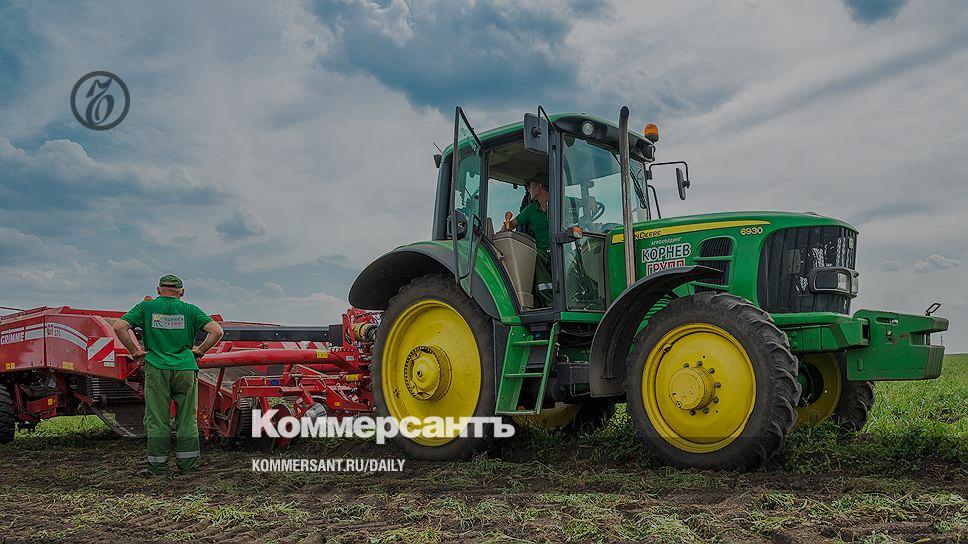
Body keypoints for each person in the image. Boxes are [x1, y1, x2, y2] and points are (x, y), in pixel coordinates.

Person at [114, 274, 224, 477]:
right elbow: (217, 331)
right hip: (185, 368)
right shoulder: (190, 310)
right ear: (182, 292)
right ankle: (188, 466)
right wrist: (200, 350)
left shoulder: (146, 307)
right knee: (187, 418)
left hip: (157, 368)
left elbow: (120, 326)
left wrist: (135, 351)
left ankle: (158, 468)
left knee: (157, 419)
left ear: (158, 290)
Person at [504, 172, 553, 307]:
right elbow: (512, 224)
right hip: (543, 253)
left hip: (561, 249)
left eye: (531, 186)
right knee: (537, 258)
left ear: (539, 187)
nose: (529, 189)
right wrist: (505, 227)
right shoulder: (530, 210)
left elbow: (578, 205)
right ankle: (549, 302)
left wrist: (589, 202)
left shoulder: (561, 204)